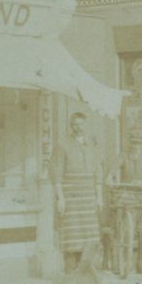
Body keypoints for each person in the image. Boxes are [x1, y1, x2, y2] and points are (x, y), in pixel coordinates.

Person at [52, 112, 104, 273]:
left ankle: (85, 274)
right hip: (71, 196)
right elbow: (56, 173)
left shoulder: (92, 145)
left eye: (81, 124)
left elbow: (98, 173)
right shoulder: (62, 145)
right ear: (70, 126)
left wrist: (99, 197)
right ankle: (69, 274)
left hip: (88, 197)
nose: (78, 127)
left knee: (89, 237)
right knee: (72, 237)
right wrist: (60, 198)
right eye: (75, 124)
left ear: (86, 125)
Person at [105, 130, 142, 274]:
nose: (136, 146)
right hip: (130, 196)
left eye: (139, 143)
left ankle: (141, 261)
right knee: (127, 227)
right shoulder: (124, 156)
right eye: (134, 142)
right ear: (130, 143)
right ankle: (124, 259)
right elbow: (115, 167)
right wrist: (110, 176)